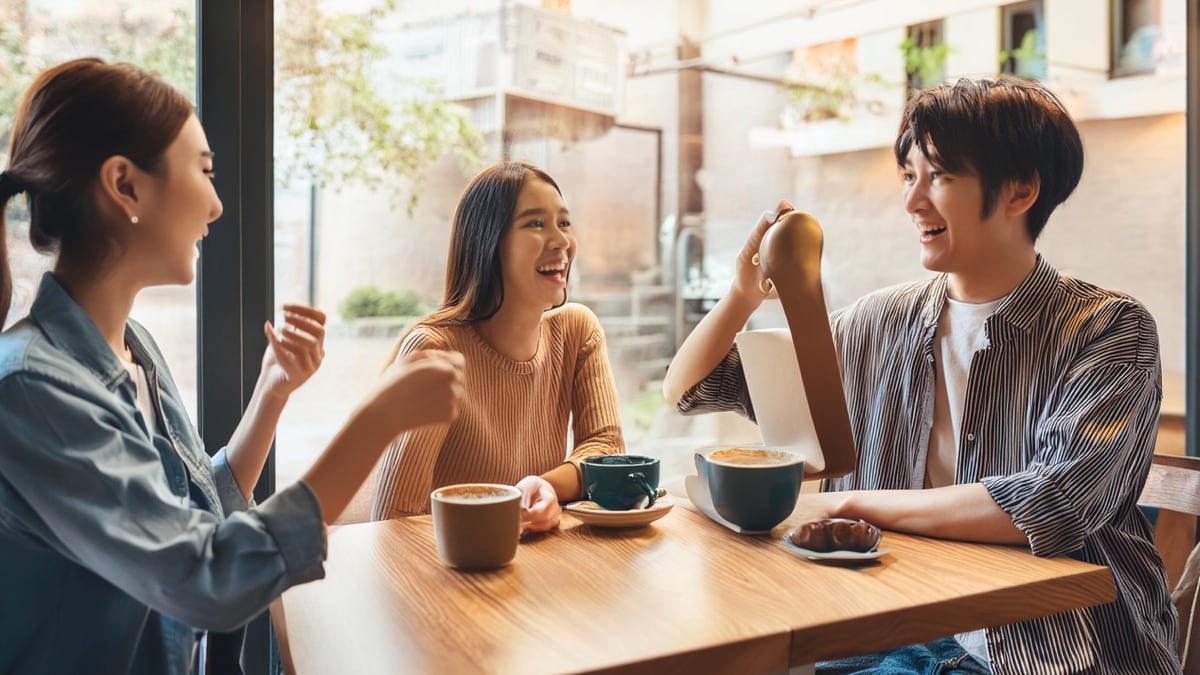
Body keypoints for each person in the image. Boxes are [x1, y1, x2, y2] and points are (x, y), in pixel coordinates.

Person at [663, 76, 1179, 674]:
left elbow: (1051, 503)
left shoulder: (1108, 329)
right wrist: (742, 293)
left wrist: (860, 503)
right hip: (892, 632)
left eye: (940, 176)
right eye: (909, 176)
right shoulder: (880, 322)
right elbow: (693, 390)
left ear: (1019, 191)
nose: (913, 202)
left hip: (1057, 645)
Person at [0, 58, 465, 674]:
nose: (217, 206)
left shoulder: (132, 346)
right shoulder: (33, 389)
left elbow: (195, 518)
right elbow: (205, 578)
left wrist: (272, 393)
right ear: (126, 186)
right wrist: (376, 422)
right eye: (204, 170)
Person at [370, 161, 624, 532]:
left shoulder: (576, 329)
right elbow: (393, 522)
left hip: (539, 566)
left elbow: (605, 447)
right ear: (488, 242)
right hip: (454, 570)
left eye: (564, 223)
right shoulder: (433, 352)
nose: (562, 242)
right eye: (536, 223)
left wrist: (545, 488)